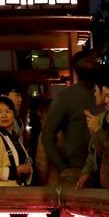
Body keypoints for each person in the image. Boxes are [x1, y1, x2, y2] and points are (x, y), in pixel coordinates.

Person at [41, 50, 98, 186]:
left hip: (94, 167)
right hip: (80, 167)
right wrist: (63, 168)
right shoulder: (66, 97)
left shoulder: (66, 97)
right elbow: (47, 137)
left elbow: (47, 136)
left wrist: (62, 168)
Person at [0, 98, 33, 187]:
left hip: (16, 189)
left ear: (14, 114)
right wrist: (19, 169)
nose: (4, 115)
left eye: (8, 111)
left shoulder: (13, 136)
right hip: (3, 191)